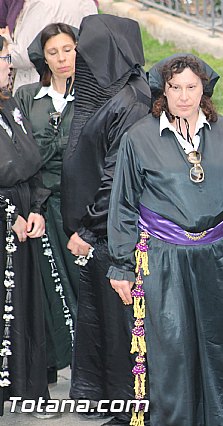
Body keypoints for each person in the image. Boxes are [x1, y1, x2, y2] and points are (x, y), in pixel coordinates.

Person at [108, 54, 223, 426]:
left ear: (205, 90)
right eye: (175, 87)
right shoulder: (140, 137)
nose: (183, 96)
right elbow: (122, 202)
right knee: (172, 347)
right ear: (162, 91)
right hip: (164, 258)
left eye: (191, 87)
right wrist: (122, 264)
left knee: (221, 345)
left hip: (218, 255)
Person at [61, 14, 151, 425]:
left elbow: (117, 177)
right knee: (99, 318)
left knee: (120, 325)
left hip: (111, 233)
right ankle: (102, 396)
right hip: (97, 232)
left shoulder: (130, 101)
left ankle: (129, 406)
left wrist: (88, 227)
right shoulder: (104, 92)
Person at [14, 22, 78, 385]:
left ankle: (86, 363)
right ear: (43, 57)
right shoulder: (27, 97)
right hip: (37, 206)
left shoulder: (88, 97)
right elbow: (22, 153)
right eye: (53, 52)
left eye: (67, 49)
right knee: (43, 288)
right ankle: (50, 364)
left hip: (76, 207)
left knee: (79, 285)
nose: (61, 58)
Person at [0, 34, 52, 418]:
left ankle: (26, 386)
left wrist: (35, 207)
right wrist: (7, 214)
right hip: (4, 217)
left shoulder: (10, 105)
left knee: (25, 306)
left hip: (22, 215)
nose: (9, 64)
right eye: (3, 57)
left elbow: (31, 163)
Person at [0, 0, 97, 92]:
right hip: (84, 84)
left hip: (43, 85)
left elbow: (26, 55)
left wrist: (4, 46)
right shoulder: (88, 2)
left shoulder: (43, 5)